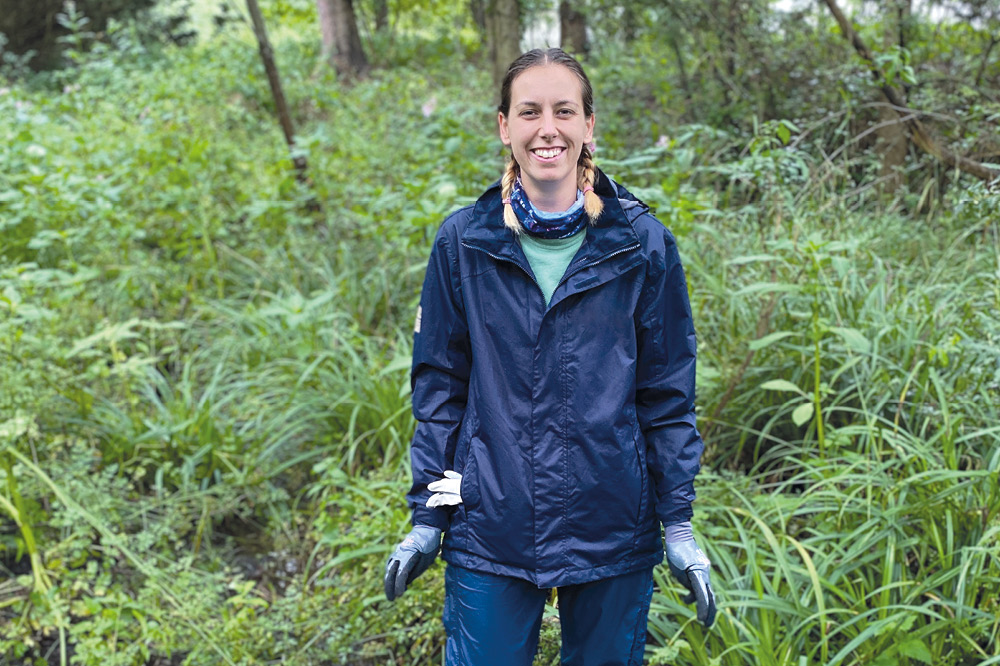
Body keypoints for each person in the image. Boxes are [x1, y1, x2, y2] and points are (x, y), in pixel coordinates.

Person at [384, 48, 716, 665]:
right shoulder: (463, 243)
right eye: (529, 111)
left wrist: (678, 523)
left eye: (564, 111)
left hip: (611, 517)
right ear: (504, 126)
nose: (548, 128)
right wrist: (429, 514)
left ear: (589, 125)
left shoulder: (641, 243)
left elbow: (667, 393)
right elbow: (440, 389)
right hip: (490, 516)